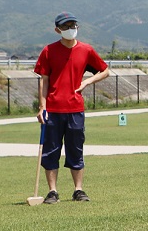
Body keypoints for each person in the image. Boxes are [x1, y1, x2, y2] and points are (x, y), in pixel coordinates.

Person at [34, 12, 110, 204]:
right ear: (57, 30)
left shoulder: (86, 50)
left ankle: (78, 190)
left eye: (73, 25)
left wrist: (87, 82)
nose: (70, 29)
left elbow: (105, 70)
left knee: (76, 149)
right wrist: (42, 106)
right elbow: (44, 80)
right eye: (66, 26)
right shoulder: (49, 51)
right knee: (51, 150)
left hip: (75, 109)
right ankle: (52, 191)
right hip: (53, 109)